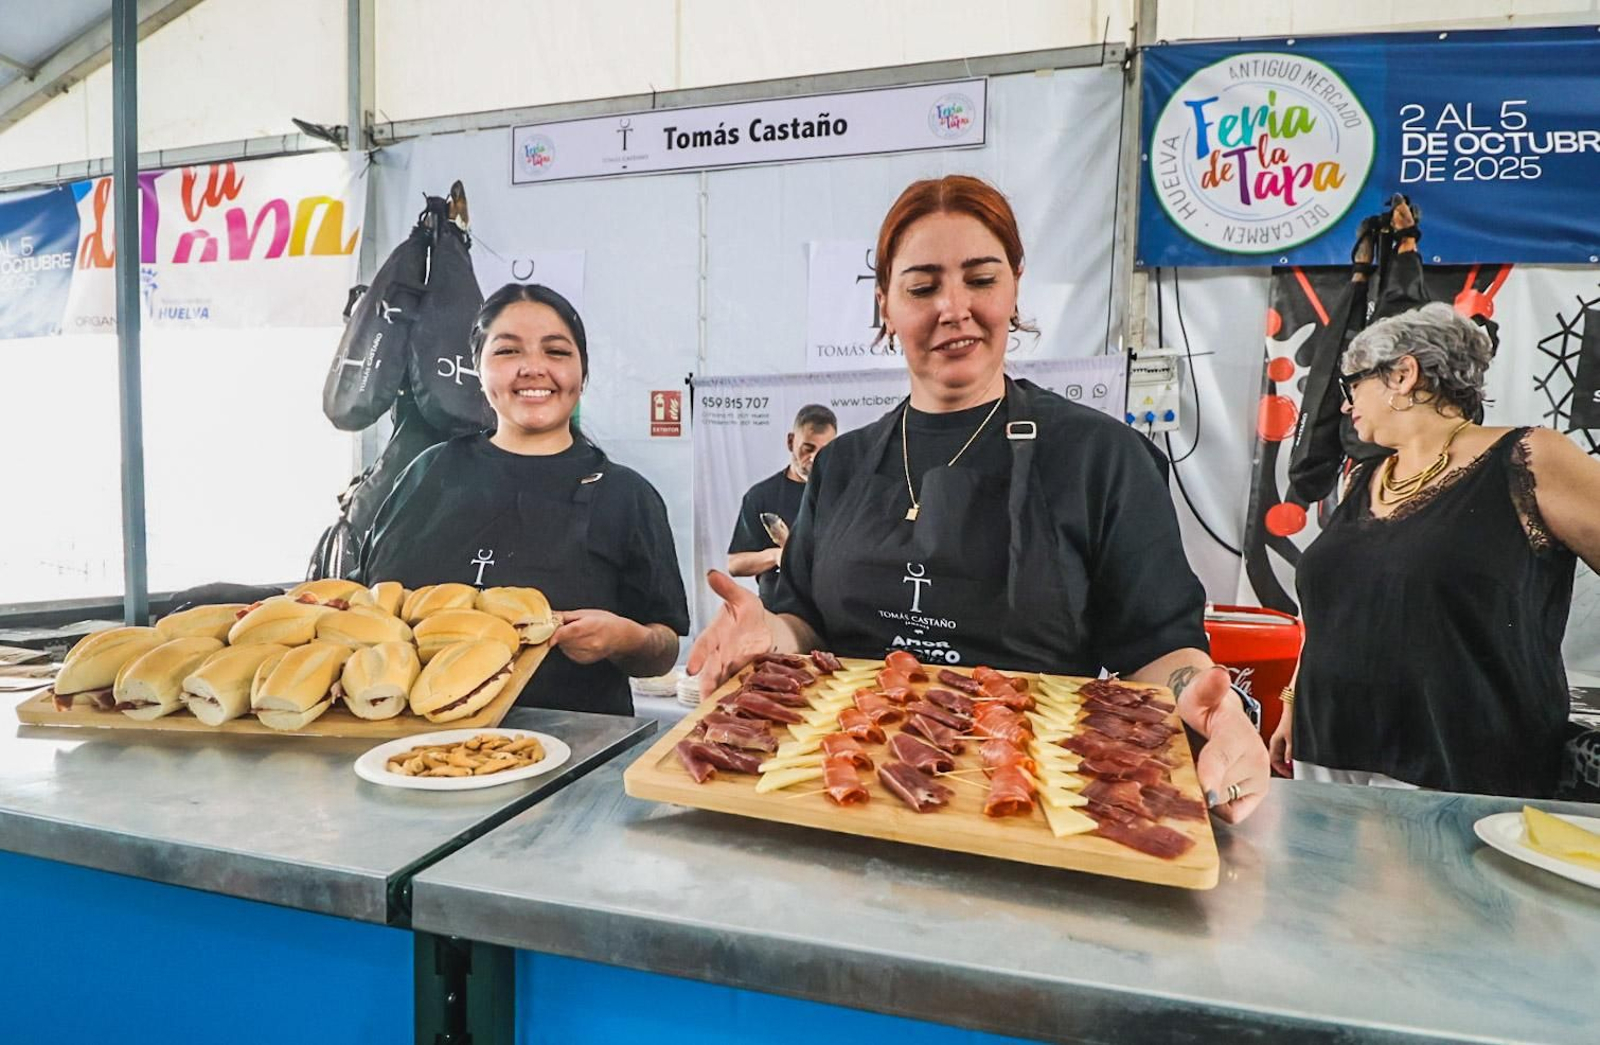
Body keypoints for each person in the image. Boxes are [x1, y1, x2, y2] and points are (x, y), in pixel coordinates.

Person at [689, 175, 1269, 822]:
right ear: (886, 306)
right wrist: (765, 634)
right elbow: (803, 621)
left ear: (1015, 286)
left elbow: (1158, 648)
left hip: (1024, 805)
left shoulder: (1101, 458)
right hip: (842, 798)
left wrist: (1204, 703)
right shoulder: (842, 465)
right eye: (922, 287)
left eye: (981, 279)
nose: (953, 307)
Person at [1270, 302, 1600, 796]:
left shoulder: (1528, 458)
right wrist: (1293, 700)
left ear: (1403, 375)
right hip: (1329, 742)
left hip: (1456, 758)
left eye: (1351, 385)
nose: (1344, 405)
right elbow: (1335, 610)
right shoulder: (1364, 477)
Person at [360, 283, 689, 715]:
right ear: (478, 369)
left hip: (573, 745)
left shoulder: (627, 495)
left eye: (556, 352)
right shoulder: (427, 473)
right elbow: (367, 602)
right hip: (408, 739)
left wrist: (627, 639)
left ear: (582, 374)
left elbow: (662, 649)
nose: (533, 368)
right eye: (508, 351)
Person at [726, 405, 837, 607]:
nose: (814, 458)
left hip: (831, 608)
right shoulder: (762, 495)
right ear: (790, 441)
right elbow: (735, 564)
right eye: (808, 448)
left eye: (824, 451)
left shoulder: (845, 494)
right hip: (780, 610)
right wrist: (776, 556)